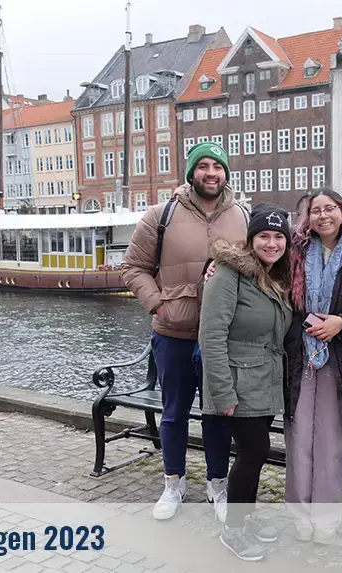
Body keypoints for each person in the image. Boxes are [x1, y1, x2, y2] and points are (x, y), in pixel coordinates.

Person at [122, 142, 248, 523]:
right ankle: (173, 482)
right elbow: (133, 268)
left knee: (218, 413)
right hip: (173, 333)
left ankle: (217, 483)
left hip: (222, 336)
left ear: (226, 172)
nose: (211, 173)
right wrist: (159, 305)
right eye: (203, 166)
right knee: (174, 413)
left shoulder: (242, 215)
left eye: (218, 166)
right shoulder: (161, 215)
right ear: (191, 172)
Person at [199, 204, 293, 562]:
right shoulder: (227, 273)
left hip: (263, 384)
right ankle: (234, 530)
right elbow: (211, 335)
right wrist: (223, 393)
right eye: (264, 236)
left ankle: (245, 519)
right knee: (253, 452)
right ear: (250, 239)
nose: (272, 243)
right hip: (237, 384)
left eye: (278, 236)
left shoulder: (273, 276)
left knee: (253, 454)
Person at [284, 190, 342, 543]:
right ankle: (299, 514)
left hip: (340, 359)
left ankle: (327, 516)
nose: (322, 216)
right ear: (308, 217)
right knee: (299, 438)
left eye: (329, 209)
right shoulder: (296, 252)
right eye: (315, 211)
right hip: (301, 357)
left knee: (332, 444)